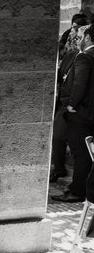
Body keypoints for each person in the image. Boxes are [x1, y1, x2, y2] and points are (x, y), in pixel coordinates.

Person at [53, 25, 94, 203]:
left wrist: (71, 105)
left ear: (88, 38)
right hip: (90, 112)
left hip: (81, 113)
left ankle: (77, 190)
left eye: (81, 36)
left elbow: (80, 84)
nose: (78, 39)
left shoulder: (85, 57)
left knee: (81, 153)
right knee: (86, 153)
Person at [50, 24, 83, 182]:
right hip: (63, 103)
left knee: (77, 145)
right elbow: (61, 73)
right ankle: (59, 168)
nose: (75, 39)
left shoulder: (89, 57)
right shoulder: (71, 55)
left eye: (78, 37)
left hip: (78, 106)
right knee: (57, 136)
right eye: (75, 37)